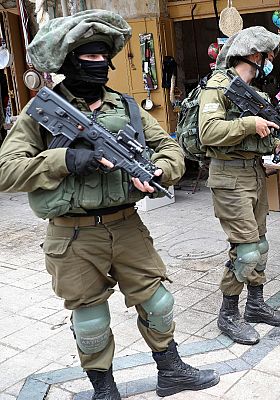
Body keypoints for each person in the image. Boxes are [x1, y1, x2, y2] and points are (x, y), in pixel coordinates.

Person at [0, 10, 219, 399]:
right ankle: (104, 389)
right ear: (69, 62)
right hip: (72, 233)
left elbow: (170, 148)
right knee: (91, 319)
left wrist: (159, 172)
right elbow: (6, 170)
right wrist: (65, 160)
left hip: (127, 224)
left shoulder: (128, 108)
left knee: (158, 301)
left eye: (104, 57)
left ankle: (171, 372)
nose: (100, 66)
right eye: (89, 57)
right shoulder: (41, 113)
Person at [199, 26, 280, 346]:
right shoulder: (218, 87)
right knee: (246, 249)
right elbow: (208, 133)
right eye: (266, 57)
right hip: (228, 177)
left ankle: (255, 304)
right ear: (254, 55)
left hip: (254, 173)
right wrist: (250, 124)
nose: (268, 63)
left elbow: (260, 137)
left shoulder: (256, 94)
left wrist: (277, 143)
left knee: (260, 245)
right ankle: (228, 313)